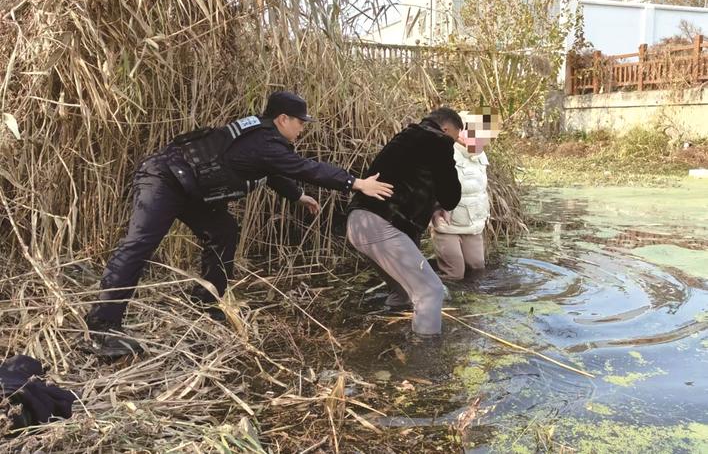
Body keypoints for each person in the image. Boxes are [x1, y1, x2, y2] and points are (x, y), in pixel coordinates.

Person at [85, 91, 393, 358]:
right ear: (283, 119)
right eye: (300, 122)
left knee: (223, 231)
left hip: (191, 187)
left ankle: (205, 301)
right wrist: (355, 183)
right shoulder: (264, 141)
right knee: (139, 245)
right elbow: (304, 167)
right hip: (163, 179)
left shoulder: (259, 137)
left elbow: (273, 172)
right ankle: (103, 327)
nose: (302, 129)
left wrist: (298, 196)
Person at [346, 107, 462, 336]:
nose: (454, 144)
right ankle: (424, 360)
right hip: (381, 225)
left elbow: (407, 180)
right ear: (446, 129)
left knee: (402, 293)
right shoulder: (438, 141)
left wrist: (433, 206)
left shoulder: (406, 137)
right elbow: (451, 196)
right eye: (455, 139)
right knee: (430, 291)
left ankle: (388, 338)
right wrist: (442, 204)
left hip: (358, 223)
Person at [430, 107, 500, 281]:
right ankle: (445, 302)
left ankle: (472, 302)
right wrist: (433, 210)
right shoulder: (445, 150)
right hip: (446, 224)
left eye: (487, 136)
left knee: (477, 268)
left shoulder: (480, 156)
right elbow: (432, 184)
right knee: (455, 272)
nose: (483, 140)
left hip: (473, 223)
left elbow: (480, 190)